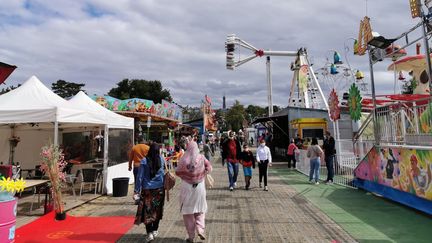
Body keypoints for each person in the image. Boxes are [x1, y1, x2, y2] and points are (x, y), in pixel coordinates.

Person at [176, 140, 212, 243]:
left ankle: (191, 236)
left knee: (188, 213)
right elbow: (209, 168)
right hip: (199, 187)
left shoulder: (183, 159)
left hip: (187, 187)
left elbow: (178, 172)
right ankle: (200, 229)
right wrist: (203, 172)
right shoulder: (201, 157)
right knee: (200, 210)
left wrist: (186, 175)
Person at [134, 143, 166, 242]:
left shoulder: (144, 161)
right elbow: (163, 172)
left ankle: (150, 233)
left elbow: (140, 177)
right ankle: (155, 230)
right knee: (157, 209)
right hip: (159, 190)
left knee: (147, 211)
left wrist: (136, 190)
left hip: (147, 190)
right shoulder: (161, 159)